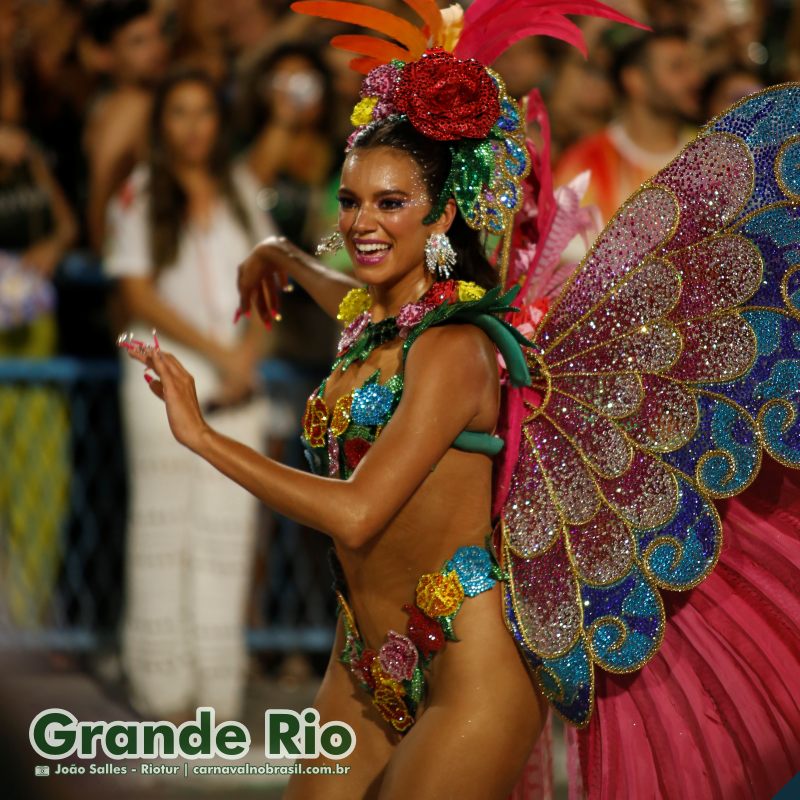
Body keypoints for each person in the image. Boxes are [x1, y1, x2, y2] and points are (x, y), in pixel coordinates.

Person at [120, 1, 800, 798]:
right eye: (350, 202)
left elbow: (357, 512)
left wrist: (203, 437)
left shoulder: (457, 351)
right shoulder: (378, 328)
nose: (363, 223)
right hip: (363, 664)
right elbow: (352, 289)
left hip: (467, 672)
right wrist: (280, 255)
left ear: (440, 215)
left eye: (389, 203)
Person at [105, 68, 274, 723]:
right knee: (162, 530)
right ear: (161, 123)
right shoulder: (140, 191)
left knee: (226, 536)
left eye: (204, 112)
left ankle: (215, 693)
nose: (193, 126)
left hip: (237, 387)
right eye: (179, 112)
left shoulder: (238, 190)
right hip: (159, 380)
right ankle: (161, 692)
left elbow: (270, 277)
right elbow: (137, 293)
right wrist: (217, 351)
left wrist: (246, 358)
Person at [554, 26, 703, 225]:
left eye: (692, 67)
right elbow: (565, 251)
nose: (694, 78)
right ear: (635, 81)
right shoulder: (586, 164)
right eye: (677, 68)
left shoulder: (706, 157)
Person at [83, 0, 168, 253]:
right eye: (138, 42)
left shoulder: (119, 102)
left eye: (158, 36)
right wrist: (108, 257)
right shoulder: (131, 106)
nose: (157, 50)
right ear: (106, 56)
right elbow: (101, 191)